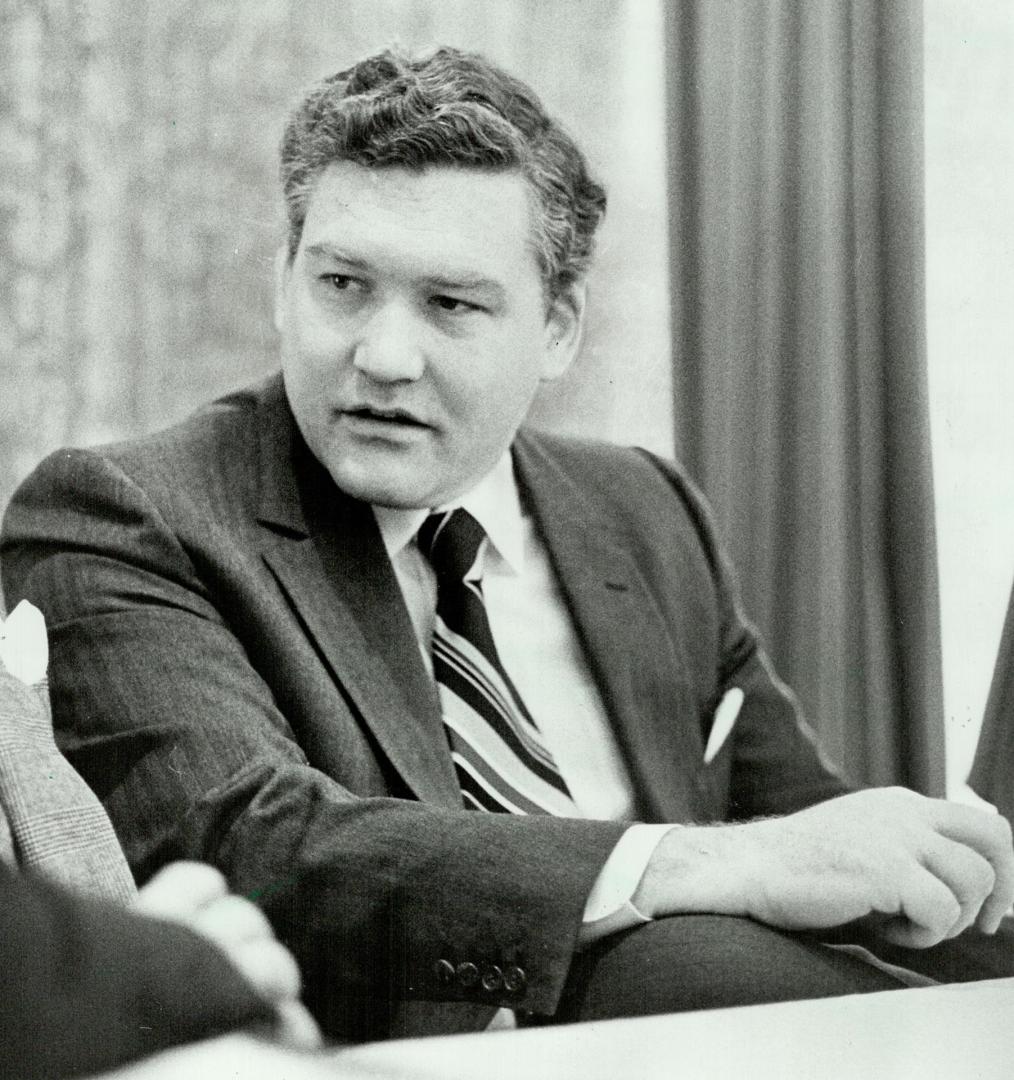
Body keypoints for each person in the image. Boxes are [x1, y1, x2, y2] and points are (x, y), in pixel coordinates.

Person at [2, 46, 1013, 1043]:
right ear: (283, 280)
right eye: (343, 285)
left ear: (560, 327)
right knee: (700, 964)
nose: (385, 357)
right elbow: (261, 852)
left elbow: (802, 832)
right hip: (415, 1053)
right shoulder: (125, 515)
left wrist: (927, 869)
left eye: (452, 304)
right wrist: (711, 868)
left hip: (714, 1028)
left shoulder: (642, 506)